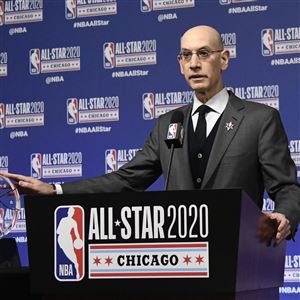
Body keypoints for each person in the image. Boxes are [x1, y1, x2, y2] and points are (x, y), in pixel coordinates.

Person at [1, 25, 300, 245]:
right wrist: (55, 191)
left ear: (223, 59)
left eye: (204, 53)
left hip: (240, 259)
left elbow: (287, 187)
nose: (194, 63)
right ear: (180, 63)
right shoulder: (168, 123)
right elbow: (126, 180)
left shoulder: (259, 119)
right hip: (179, 260)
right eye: (186, 55)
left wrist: (285, 216)